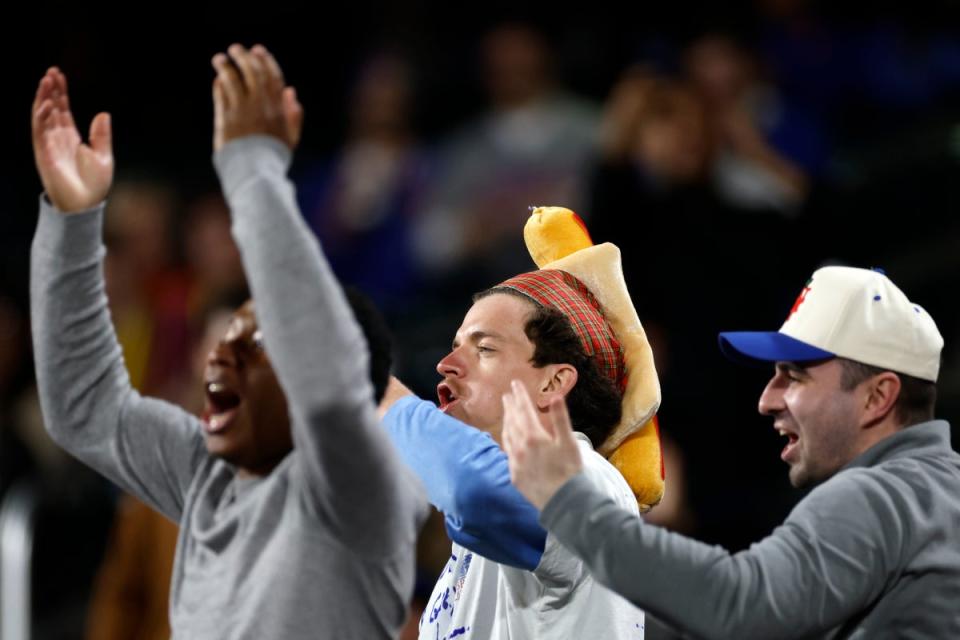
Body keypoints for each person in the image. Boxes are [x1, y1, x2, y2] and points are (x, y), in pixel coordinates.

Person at [30, 45, 423, 638]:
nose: (217, 353)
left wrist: (252, 169)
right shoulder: (206, 477)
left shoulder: (363, 488)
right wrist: (74, 223)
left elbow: (326, 377)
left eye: (254, 342)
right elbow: (86, 409)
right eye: (222, 337)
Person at [502, 264, 960, 638]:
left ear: (877, 397)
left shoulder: (883, 494)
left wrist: (569, 501)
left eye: (795, 376)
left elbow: (739, 606)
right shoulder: (934, 492)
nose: (768, 399)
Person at [379, 268, 648, 638]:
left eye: (484, 348)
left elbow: (474, 490)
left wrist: (369, 387)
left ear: (553, 383)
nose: (446, 364)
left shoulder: (588, 478)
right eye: (456, 346)